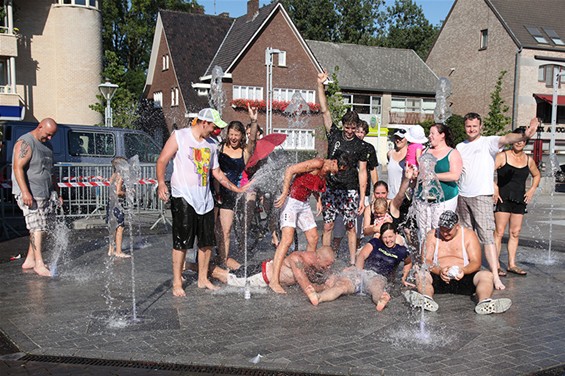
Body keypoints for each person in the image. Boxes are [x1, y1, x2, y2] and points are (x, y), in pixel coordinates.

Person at [156, 108, 248, 297]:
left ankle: (203, 279)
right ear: (204, 123)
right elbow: (162, 160)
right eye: (214, 126)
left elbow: (217, 173)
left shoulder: (212, 144)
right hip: (183, 195)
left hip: (205, 199)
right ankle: (176, 282)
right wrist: (160, 183)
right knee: (181, 242)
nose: (216, 131)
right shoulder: (180, 136)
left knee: (206, 242)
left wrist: (236, 189)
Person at [456, 113, 539, 290]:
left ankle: (495, 275)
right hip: (462, 196)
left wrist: (525, 134)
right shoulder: (460, 147)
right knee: (467, 236)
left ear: (481, 127)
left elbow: (508, 138)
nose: (471, 129)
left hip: (481, 196)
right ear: (465, 127)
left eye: (474, 126)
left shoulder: (489, 142)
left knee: (487, 237)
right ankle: (469, 272)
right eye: (468, 126)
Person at [269, 154, 349, 294]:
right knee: (287, 240)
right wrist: (284, 193)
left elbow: (311, 183)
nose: (339, 173)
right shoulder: (318, 163)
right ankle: (274, 281)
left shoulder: (326, 172)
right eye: (340, 169)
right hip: (291, 200)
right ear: (334, 161)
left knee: (313, 237)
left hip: (304, 203)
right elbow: (290, 170)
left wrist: (318, 199)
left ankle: (306, 274)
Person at [405, 210, 512, 314]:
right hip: (439, 276)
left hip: (463, 277)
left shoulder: (468, 235)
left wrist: (463, 271)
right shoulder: (432, 235)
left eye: (448, 230)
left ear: (457, 226)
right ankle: (426, 298)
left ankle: (484, 301)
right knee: (420, 273)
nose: (445, 233)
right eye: (442, 230)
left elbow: (476, 262)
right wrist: (440, 271)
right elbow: (426, 260)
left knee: (487, 275)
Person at [317, 70, 368, 265]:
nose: (349, 131)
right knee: (328, 225)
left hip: (350, 190)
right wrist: (320, 85)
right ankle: (324, 259)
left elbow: (362, 171)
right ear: (343, 125)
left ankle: (353, 262)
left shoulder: (360, 146)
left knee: (350, 226)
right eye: (347, 127)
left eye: (352, 128)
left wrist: (362, 198)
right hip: (331, 187)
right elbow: (324, 111)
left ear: (357, 127)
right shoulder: (334, 135)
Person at [314, 223, 412, 311]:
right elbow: (362, 256)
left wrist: (403, 277)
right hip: (363, 271)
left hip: (378, 276)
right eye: (385, 237)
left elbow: (408, 263)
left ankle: (380, 300)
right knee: (342, 286)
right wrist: (358, 273)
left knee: (377, 287)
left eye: (390, 236)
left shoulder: (401, 251)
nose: (388, 240)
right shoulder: (375, 242)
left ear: (396, 234)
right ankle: (319, 297)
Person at [11, 118, 60, 277]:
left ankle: (30, 259)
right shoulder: (26, 142)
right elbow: (17, 167)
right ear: (39, 127)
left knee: (43, 227)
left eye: (52, 135)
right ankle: (39, 263)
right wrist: (25, 192)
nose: (50, 138)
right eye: (47, 134)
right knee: (36, 228)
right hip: (30, 192)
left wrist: (57, 192)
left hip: (45, 192)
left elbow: (51, 172)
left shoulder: (47, 145)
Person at [212, 246, 335, 304]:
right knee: (224, 276)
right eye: (327, 265)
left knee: (240, 269)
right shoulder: (298, 260)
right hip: (260, 276)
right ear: (318, 258)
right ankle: (198, 267)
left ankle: (217, 259)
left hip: (261, 270)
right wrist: (326, 287)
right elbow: (308, 288)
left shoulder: (312, 261)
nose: (328, 268)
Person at [216, 105, 259, 270]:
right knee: (214, 229)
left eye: (236, 135)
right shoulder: (220, 147)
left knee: (226, 231)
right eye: (231, 134)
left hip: (230, 194)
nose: (233, 138)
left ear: (242, 136)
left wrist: (253, 121)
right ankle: (213, 256)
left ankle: (224, 261)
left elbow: (253, 141)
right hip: (214, 191)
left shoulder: (244, 152)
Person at [493, 128, 540, 276]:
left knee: (515, 232)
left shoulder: (528, 159)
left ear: (526, 142)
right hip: (503, 198)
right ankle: (495, 265)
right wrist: (494, 187)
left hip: (520, 199)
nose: (519, 143)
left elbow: (537, 175)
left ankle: (512, 264)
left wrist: (532, 189)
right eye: (517, 139)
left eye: (523, 140)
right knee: (499, 232)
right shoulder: (502, 156)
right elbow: (487, 171)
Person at [331, 120, 379, 254]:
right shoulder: (344, 146)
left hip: (363, 192)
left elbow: (372, 169)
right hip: (346, 190)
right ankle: (334, 251)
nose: (359, 134)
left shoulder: (367, 148)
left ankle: (357, 251)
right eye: (357, 131)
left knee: (357, 225)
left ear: (365, 134)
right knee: (339, 223)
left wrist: (376, 190)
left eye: (362, 132)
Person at [413, 123, 463, 244]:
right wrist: (415, 173)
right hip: (423, 198)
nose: (429, 136)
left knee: (440, 229)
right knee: (423, 230)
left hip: (445, 199)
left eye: (432, 133)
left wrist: (434, 176)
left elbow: (455, 175)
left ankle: (439, 259)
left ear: (442, 135)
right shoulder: (425, 151)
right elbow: (422, 173)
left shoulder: (452, 153)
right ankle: (424, 258)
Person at [106, 157, 130, 258]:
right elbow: (118, 191)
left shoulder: (113, 175)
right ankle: (119, 251)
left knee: (113, 227)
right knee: (120, 227)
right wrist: (127, 193)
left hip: (110, 203)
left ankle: (111, 249)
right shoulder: (120, 177)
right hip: (117, 204)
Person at [387, 128, 408, 200]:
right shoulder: (390, 153)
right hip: (390, 197)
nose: (398, 140)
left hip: (404, 197)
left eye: (401, 138)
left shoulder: (410, 155)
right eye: (396, 137)